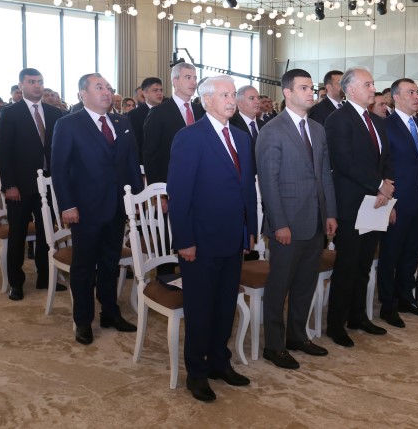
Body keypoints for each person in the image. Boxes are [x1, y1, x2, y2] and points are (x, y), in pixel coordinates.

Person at [167, 75, 257, 402]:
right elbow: (179, 194)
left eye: (233, 94)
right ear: (206, 101)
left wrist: (250, 231)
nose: (231, 100)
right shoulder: (190, 137)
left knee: (224, 306)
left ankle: (220, 361)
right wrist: (185, 240)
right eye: (224, 95)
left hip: (233, 237)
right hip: (201, 240)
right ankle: (197, 373)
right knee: (200, 308)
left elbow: (247, 189)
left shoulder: (242, 138)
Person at [51, 73, 142, 345]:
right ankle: (83, 320)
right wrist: (67, 205)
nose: (107, 92)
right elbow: (59, 168)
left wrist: (135, 199)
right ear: (83, 94)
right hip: (85, 208)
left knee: (110, 264)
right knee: (84, 266)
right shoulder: (68, 124)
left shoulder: (122, 122)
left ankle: (110, 313)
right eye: (99, 87)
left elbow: (131, 162)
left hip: (116, 206)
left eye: (109, 88)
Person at [257, 69, 337, 370]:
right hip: (287, 222)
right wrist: (279, 223)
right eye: (303, 88)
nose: (310, 93)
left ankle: (297, 336)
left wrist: (330, 212)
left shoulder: (317, 128)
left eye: (312, 88)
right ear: (287, 93)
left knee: (305, 283)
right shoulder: (272, 130)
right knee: (279, 286)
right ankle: (274, 345)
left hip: (315, 219)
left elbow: (324, 175)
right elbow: (269, 182)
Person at [324, 67, 394, 347]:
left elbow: (386, 157)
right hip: (352, 203)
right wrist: (379, 184)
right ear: (350, 89)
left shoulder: (376, 120)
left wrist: (388, 184)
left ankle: (358, 316)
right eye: (368, 84)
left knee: (364, 263)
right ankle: (336, 324)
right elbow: (344, 161)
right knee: (347, 266)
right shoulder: (338, 119)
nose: (373, 89)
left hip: (376, 201)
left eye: (373, 84)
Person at [0, 69, 64, 301]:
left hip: (48, 185)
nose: (37, 86)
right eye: (32, 82)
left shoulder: (54, 112)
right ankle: (16, 283)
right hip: (20, 186)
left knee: (47, 234)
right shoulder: (10, 112)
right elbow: (3, 151)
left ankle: (45, 277)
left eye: (40, 82)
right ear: (21, 85)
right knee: (17, 235)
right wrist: (9, 185)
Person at [378, 79, 418, 329]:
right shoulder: (385, 125)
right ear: (396, 97)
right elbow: (382, 166)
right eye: (410, 92)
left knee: (411, 254)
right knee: (390, 255)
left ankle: (406, 298)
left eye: (417, 92)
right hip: (397, 202)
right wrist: (389, 203)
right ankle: (388, 305)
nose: (417, 96)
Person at [143, 63, 205, 185]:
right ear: (175, 81)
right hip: (171, 182)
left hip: (201, 180)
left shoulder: (201, 111)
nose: (193, 82)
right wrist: (157, 190)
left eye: (195, 78)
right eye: (188, 77)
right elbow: (150, 155)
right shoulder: (158, 113)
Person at [126, 77, 163, 161]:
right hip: (144, 161)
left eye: (161, 90)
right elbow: (134, 143)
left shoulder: (168, 111)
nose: (159, 93)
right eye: (155, 90)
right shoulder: (134, 115)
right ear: (145, 93)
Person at [230, 85, 265, 172]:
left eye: (258, 98)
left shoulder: (265, 126)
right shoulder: (231, 126)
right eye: (252, 98)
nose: (257, 102)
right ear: (239, 103)